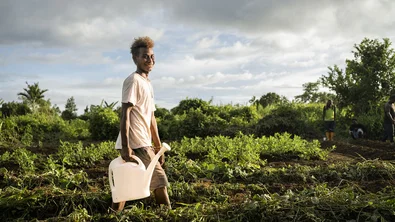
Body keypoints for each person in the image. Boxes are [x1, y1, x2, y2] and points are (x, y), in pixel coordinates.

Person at [111, 36, 171, 212]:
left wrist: (158, 146)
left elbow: (151, 118)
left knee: (125, 185)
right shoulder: (133, 81)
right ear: (135, 58)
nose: (150, 60)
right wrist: (126, 146)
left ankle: (113, 215)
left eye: (152, 56)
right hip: (136, 143)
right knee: (160, 183)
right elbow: (125, 114)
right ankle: (168, 215)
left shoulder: (147, 83)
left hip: (145, 144)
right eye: (145, 56)